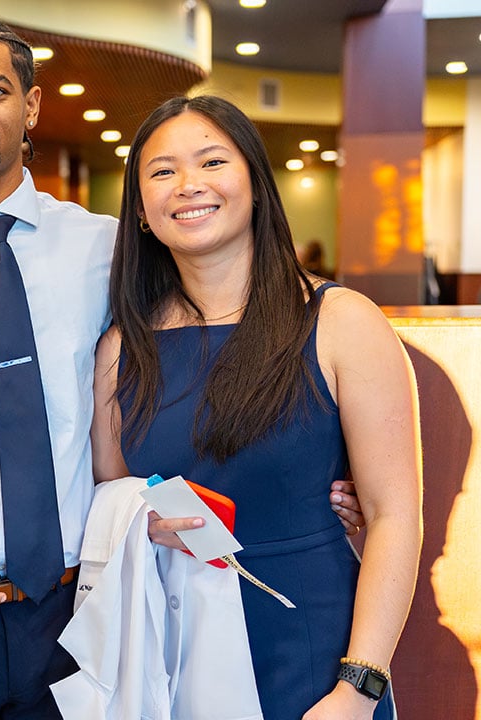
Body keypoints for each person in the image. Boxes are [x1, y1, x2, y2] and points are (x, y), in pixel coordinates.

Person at [0, 17, 367, 719]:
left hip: (88, 611)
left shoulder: (109, 250)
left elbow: (191, 374)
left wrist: (319, 472)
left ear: (32, 106)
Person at [91, 95, 422, 719]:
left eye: (212, 161)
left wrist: (358, 688)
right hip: (173, 650)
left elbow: (394, 517)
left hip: (314, 650)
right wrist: (141, 519)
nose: (189, 185)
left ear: (254, 183)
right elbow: (111, 490)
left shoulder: (340, 320)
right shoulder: (121, 348)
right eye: (162, 172)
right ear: (139, 211)